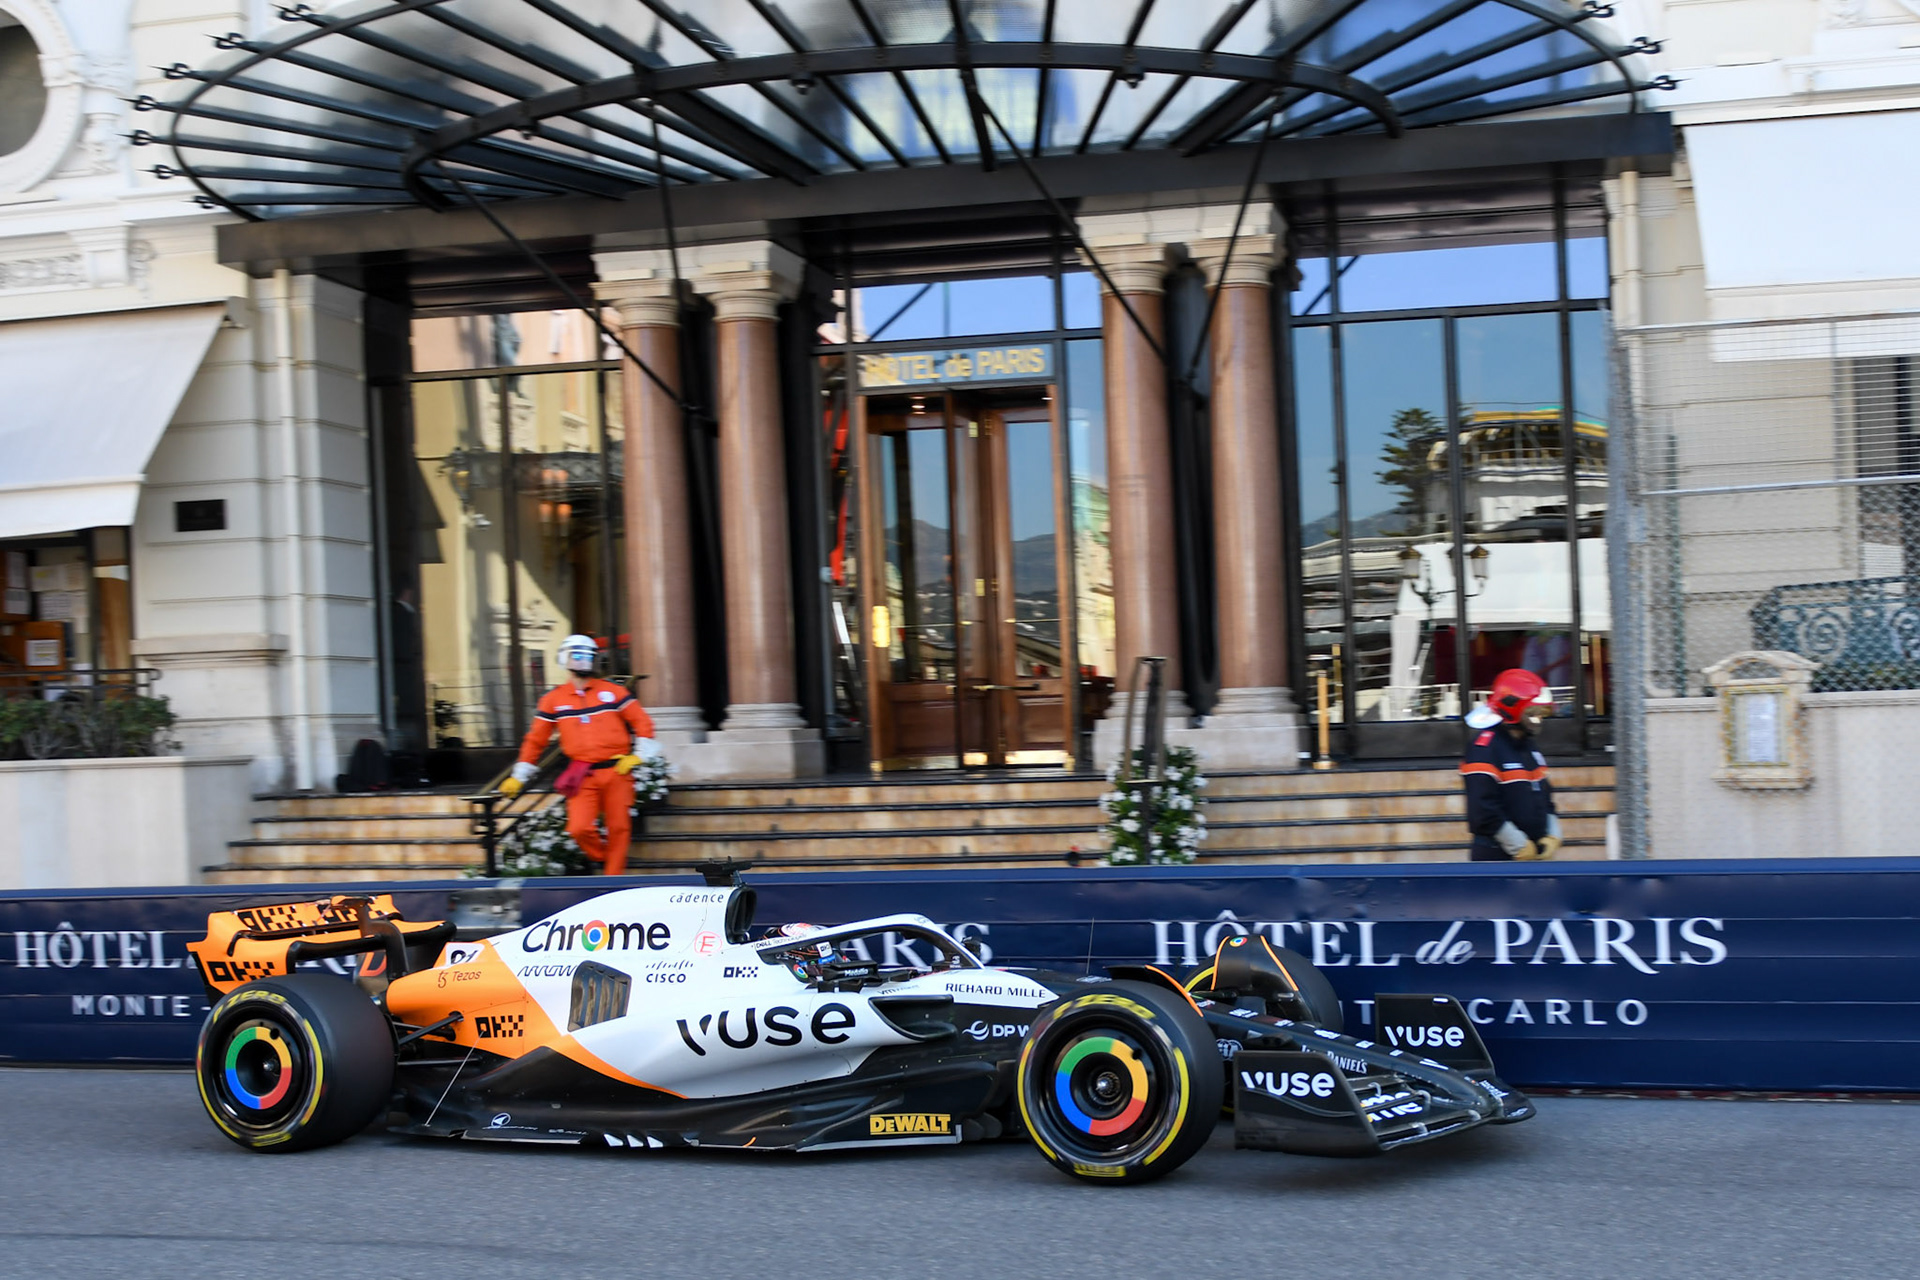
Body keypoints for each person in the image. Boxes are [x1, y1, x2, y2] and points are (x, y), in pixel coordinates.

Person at [501, 634, 656, 876]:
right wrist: (518, 776)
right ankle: (605, 859)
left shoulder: (613, 692)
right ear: (565, 658)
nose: (584, 661)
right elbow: (536, 741)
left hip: (618, 770)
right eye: (578, 656)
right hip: (582, 774)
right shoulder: (553, 700)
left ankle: (611, 880)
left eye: (588, 656)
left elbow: (642, 723)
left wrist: (639, 755)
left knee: (618, 828)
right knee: (578, 828)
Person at [1460, 668, 1563, 862]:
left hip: (1532, 853)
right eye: (1533, 713)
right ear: (1513, 708)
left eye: (1541, 713)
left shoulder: (1529, 747)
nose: (1539, 719)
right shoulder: (1484, 748)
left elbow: (1546, 798)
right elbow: (1482, 810)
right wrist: (1518, 845)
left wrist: (1553, 835)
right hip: (1496, 856)